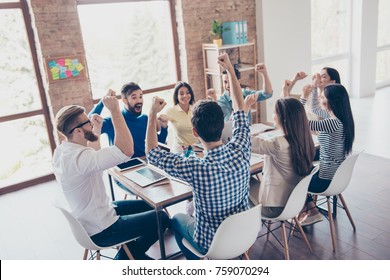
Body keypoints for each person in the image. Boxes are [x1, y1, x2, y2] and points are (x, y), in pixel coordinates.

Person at [145, 53, 251, 260]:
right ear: (223, 125)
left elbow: (152, 153)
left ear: (195, 132)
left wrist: (151, 115)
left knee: (176, 219)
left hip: (211, 243)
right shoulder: (242, 148)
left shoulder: (195, 167)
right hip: (243, 234)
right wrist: (229, 69)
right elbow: (239, 107)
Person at [52, 95, 170, 260]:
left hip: (91, 218)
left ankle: (131, 253)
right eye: (88, 122)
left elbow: (93, 159)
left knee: (150, 206)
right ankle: (125, 258)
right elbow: (126, 150)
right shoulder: (81, 158)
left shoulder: (62, 152)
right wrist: (115, 110)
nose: (91, 123)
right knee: (162, 218)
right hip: (103, 229)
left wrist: (96, 130)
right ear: (78, 131)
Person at [247, 95, 316, 218]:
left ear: (284, 119)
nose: (273, 115)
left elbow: (246, 142)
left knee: (241, 185)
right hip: (294, 201)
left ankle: (241, 229)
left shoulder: (278, 144)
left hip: (274, 207)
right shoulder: (305, 138)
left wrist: (245, 109)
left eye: (274, 113)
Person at [299, 83, 355, 226]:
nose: (319, 97)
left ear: (331, 101)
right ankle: (306, 209)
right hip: (336, 177)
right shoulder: (341, 118)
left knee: (293, 177)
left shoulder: (333, 123)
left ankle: (310, 210)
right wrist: (314, 90)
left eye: (322, 96)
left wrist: (303, 97)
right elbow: (315, 108)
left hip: (325, 181)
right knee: (301, 163)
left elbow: (300, 122)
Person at [89, 83, 168, 158]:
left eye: (140, 97)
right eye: (134, 97)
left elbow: (158, 144)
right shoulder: (112, 121)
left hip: (145, 163)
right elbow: (89, 124)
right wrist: (103, 102)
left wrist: (164, 128)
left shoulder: (145, 119)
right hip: (121, 168)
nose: (139, 101)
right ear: (124, 100)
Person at [207, 63, 273, 123]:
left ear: (238, 82)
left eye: (230, 82)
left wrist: (264, 73)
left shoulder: (244, 93)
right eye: (225, 82)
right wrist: (246, 104)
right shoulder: (222, 102)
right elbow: (231, 124)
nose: (228, 86)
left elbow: (267, 93)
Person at [158, 81, 198, 153]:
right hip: (181, 150)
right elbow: (161, 121)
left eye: (188, 92)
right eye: (181, 93)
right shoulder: (171, 111)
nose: (185, 96)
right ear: (177, 96)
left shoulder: (196, 109)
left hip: (197, 148)